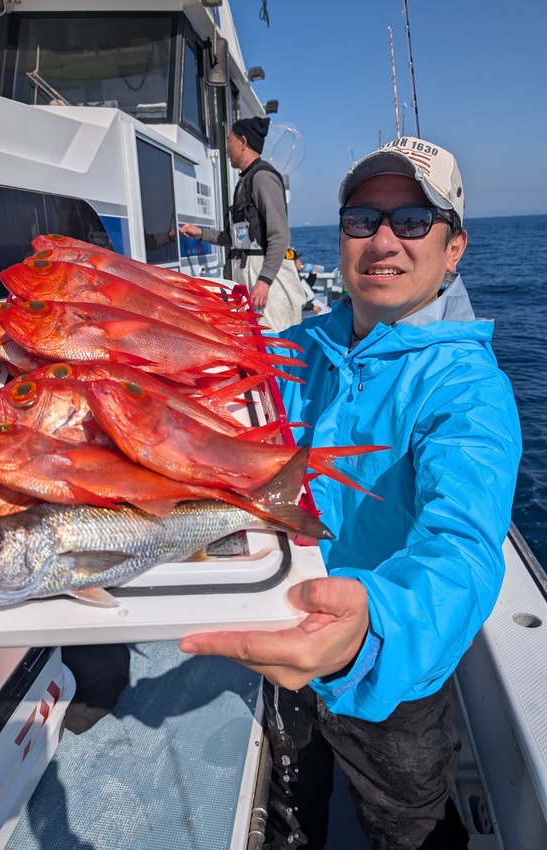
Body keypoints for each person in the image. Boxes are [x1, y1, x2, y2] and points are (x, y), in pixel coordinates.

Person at [179, 136, 522, 849]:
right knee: (292, 807)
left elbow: (462, 547)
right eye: (362, 219)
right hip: (287, 636)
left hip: (389, 670)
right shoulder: (303, 346)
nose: (383, 240)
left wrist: (376, 620)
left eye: (412, 220)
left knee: (408, 825)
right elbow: (212, 389)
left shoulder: (468, 390)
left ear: (454, 247)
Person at [179, 116, 306, 332]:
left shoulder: (262, 178)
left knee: (274, 344)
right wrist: (199, 233)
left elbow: (280, 235)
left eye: (229, 141)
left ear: (243, 143)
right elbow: (235, 238)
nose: (227, 149)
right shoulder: (245, 180)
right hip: (250, 276)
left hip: (265, 281)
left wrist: (264, 281)